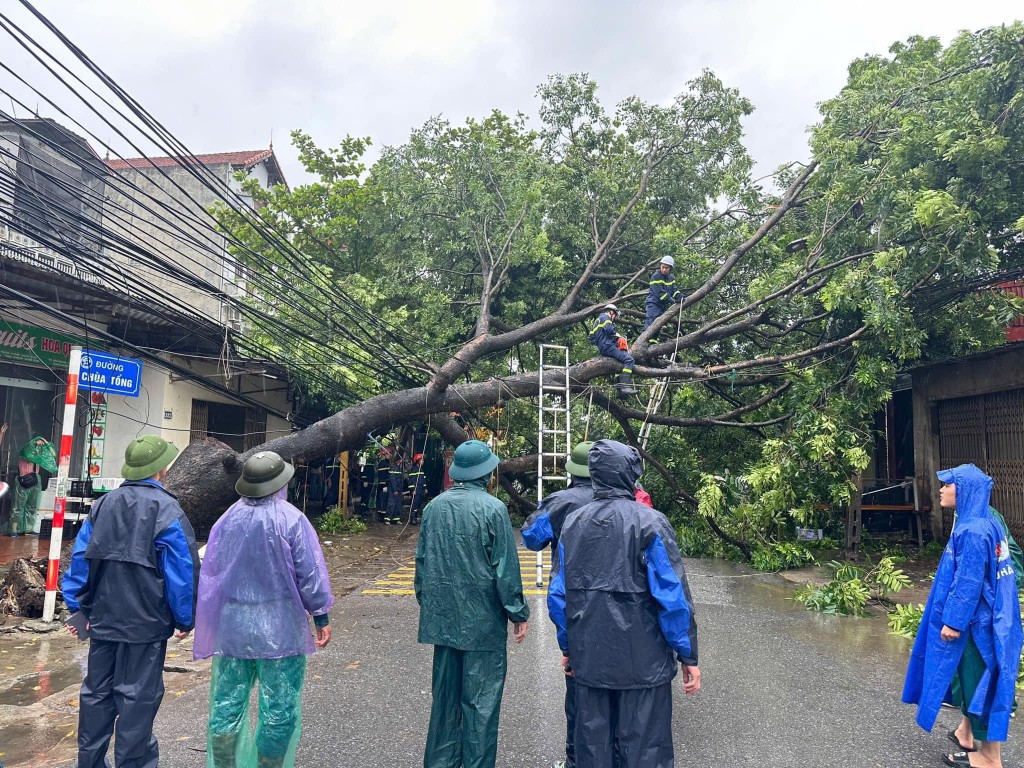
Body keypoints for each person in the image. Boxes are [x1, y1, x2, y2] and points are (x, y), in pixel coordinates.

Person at [549, 440, 699, 768]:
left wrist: (569, 647)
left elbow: (559, 596)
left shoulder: (573, 524)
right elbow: (673, 599)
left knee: (593, 751)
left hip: (591, 661)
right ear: (630, 475)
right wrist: (688, 655)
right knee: (646, 752)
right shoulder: (652, 523)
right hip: (645, 668)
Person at [62, 435, 200, 768]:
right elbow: (182, 570)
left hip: (103, 621)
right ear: (160, 470)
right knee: (138, 701)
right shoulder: (167, 509)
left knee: (96, 696)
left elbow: (81, 559)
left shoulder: (102, 505)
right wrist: (185, 618)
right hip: (146, 626)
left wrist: (78, 608)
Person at [194, 451, 334, 768]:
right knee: (280, 704)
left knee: (227, 701)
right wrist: (320, 615)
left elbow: (211, 573)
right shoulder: (292, 520)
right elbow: (309, 573)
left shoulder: (227, 520)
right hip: (281, 627)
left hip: (233, 626)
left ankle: (225, 764)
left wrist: (209, 619)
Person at [415, 439, 529, 768]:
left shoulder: (433, 508)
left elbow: (422, 567)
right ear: (486, 473)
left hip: (443, 623)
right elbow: (505, 571)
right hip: (484, 627)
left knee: (445, 706)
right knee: (481, 707)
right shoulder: (493, 510)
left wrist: (433, 607)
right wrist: (517, 613)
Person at [902, 464, 1023, 768]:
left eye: (947, 485)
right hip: (991, 620)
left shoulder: (973, 529)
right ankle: (970, 738)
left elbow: (968, 582)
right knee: (975, 682)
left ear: (964, 490)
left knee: (979, 683)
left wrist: (953, 622)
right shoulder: (983, 522)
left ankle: (990, 757)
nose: (941, 489)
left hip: (976, 624)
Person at [521, 441, 595, 768]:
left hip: (576, 611)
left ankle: (575, 762)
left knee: (578, 697)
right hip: (624, 619)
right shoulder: (631, 502)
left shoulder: (562, 502)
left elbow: (531, 537)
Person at [9, 435, 57, 536]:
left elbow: (53, 453)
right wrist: (35, 443)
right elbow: (28, 451)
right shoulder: (26, 452)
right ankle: (14, 530)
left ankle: (28, 529)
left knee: (31, 506)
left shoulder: (39, 455)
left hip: (35, 480)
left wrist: (44, 441)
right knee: (17, 507)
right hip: (23, 480)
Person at [588, 304, 637, 398]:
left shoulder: (597, 321)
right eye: (614, 315)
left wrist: (601, 341)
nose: (614, 318)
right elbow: (609, 330)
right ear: (611, 312)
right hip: (608, 346)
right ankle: (625, 387)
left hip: (603, 347)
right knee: (629, 360)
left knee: (619, 362)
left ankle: (620, 392)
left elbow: (591, 338)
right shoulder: (606, 317)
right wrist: (617, 336)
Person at [644, 256, 682, 340]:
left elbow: (674, 289)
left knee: (658, 325)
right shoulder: (656, 276)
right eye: (663, 267)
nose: (664, 269)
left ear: (670, 268)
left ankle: (652, 343)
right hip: (653, 304)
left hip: (662, 306)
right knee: (651, 323)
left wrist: (679, 296)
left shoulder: (671, 278)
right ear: (660, 266)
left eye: (666, 268)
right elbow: (660, 294)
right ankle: (644, 342)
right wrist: (673, 300)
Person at [385, 455, 405, 525]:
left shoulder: (399, 468)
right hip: (393, 490)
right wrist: (395, 490)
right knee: (391, 503)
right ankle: (387, 519)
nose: (402, 461)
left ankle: (396, 519)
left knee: (398, 505)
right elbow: (392, 480)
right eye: (401, 460)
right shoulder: (394, 468)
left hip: (399, 489)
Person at [408, 453, 426, 525]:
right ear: (417, 461)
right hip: (416, 489)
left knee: (418, 504)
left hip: (420, 489)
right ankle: (412, 519)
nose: (423, 462)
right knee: (414, 504)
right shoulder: (414, 469)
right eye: (422, 460)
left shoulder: (421, 469)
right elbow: (411, 480)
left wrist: (425, 488)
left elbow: (423, 480)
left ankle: (415, 518)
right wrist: (413, 490)